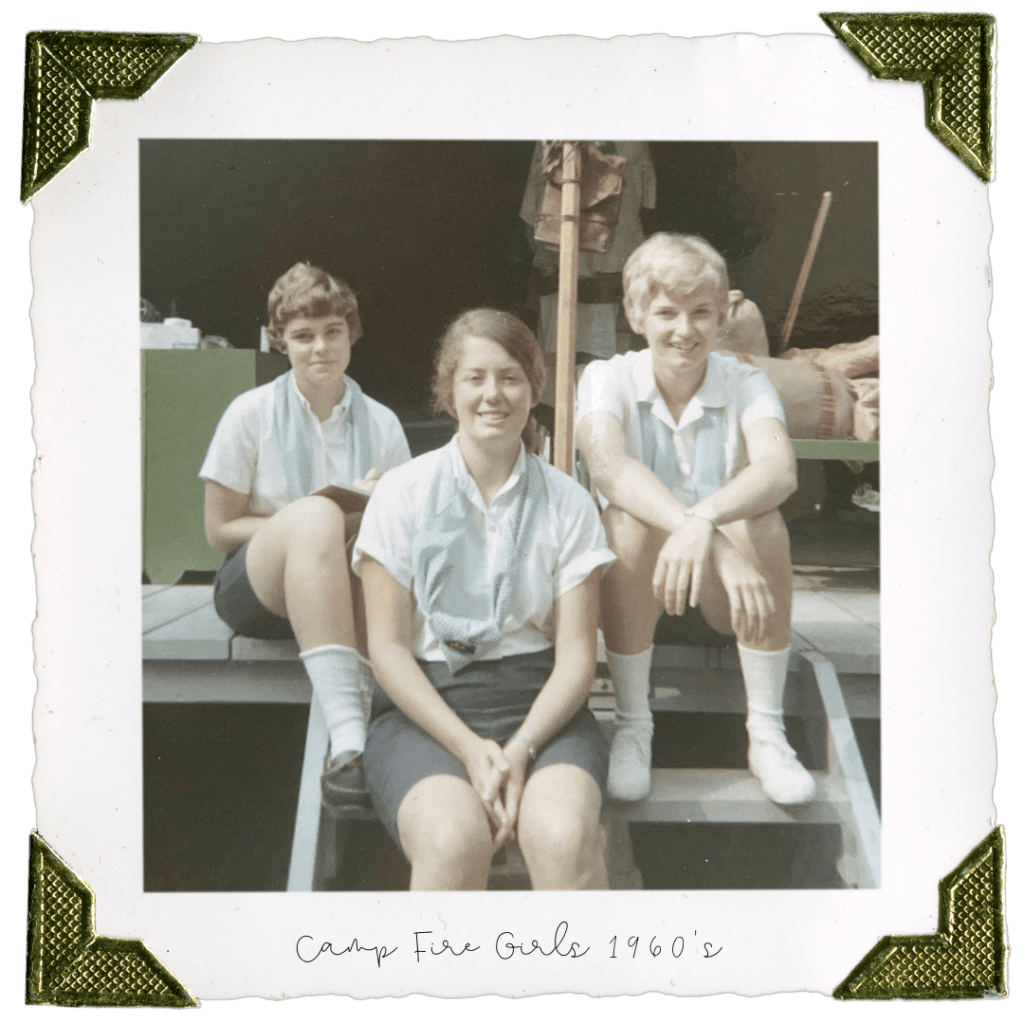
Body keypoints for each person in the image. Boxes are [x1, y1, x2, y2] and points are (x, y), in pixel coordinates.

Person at [352, 309, 615, 890]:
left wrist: (520, 748)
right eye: (474, 378)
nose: (493, 394)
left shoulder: (569, 502)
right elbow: (389, 651)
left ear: (534, 389)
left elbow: (575, 657)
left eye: (510, 377)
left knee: (564, 837)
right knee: (453, 842)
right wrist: (470, 750)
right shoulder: (401, 493)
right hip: (426, 711)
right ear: (448, 390)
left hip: (542, 710)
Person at [576, 233, 813, 806]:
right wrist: (709, 536)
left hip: (726, 599)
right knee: (625, 523)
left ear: (720, 316)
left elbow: (780, 471)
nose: (685, 329)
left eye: (700, 312)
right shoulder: (606, 377)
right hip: (636, 590)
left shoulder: (746, 380)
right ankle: (634, 725)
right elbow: (609, 468)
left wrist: (704, 523)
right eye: (666, 313)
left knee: (762, 521)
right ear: (636, 315)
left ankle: (767, 733)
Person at [199, 263, 410, 804]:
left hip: (350, 585)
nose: (321, 347)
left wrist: (378, 502)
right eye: (303, 336)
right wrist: (309, 524)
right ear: (281, 343)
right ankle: (348, 737)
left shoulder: (382, 423)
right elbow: (220, 528)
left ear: (351, 334)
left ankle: (374, 740)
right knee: (318, 516)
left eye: (333, 332)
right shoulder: (250, 413)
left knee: (353, 524)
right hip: (258, 589)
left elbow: (407, 533)